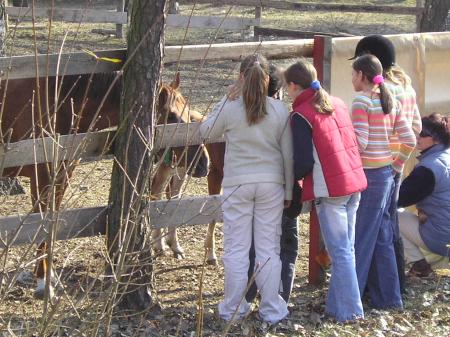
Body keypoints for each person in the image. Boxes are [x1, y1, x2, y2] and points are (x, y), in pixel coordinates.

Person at [200, 54, 293, 324]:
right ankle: (273, 309)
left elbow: (204, 132)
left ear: (240, 79)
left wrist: (223, 100)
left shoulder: (230, 108)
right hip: (272, 184)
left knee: (236, 250)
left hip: (237, 183)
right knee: (268, 250)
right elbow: (287, 155)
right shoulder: (279, 110)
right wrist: (288, 192)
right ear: (267, 80)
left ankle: (233, 309)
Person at [285, 59, 367, 322]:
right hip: (353, 183)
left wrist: (291, 180)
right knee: (346, 249)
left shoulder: (301, 115)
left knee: (340, 251)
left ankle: (352, 312)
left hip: (330, 189)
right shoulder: (338, 103)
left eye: (288, 87)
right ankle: (336, 307)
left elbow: (303, 162)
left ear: (293, 85)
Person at [350, 34, 422, 292]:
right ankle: (393, 287)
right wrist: (399, 162)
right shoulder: (408, 87)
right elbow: (416, 128)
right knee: (388, 225)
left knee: (369, 229)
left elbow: (363, 137)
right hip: (396, 165)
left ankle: (367, 288)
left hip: (375, 165)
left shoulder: (375, 93)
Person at [245, 64, 302, 304]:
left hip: (251, 189)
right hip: (282, 190)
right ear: (277, 93)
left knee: (252, 244)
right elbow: (292, 157)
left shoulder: (242, 115)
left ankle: (247, 294)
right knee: (286, 247)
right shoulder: (284, 117)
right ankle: (279, 297)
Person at [398, 114, 450, 277]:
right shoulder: (445, 156)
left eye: (423, 133)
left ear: (436, 139)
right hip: (444, 229)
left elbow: (398, 199)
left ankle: (420, 266)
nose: (417, 135)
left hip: (443, 237)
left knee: (388, 215)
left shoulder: (429, 168)